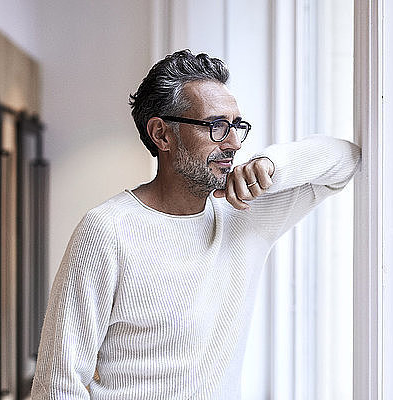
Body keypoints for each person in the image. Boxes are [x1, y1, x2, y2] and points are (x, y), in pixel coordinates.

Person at [31, 49, 361, 399]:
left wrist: (272, 164)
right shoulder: (107, 230)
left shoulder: (245, 214)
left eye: (237, 126)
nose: (233, 143)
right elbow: (57, 384)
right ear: (162, 135)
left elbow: (345, 159)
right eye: (216, 126)